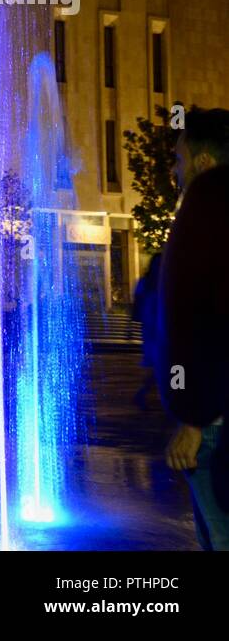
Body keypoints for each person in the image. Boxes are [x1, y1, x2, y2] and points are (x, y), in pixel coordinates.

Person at [158, 106, 229, 550]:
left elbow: (198, 320)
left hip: (216, 424)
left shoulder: (207, 213)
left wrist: (194, 417)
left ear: (204, 163)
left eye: (181, 161)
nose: (176, 172)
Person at [132, 253, 162, 408]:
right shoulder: (146, 283)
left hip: (162, 328)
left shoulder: (163, 282)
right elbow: (137, 305)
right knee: (161, 365)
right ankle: (176, 394)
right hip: (152, 329)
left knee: (169, 364)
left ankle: (177, 394)